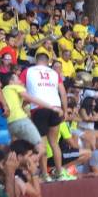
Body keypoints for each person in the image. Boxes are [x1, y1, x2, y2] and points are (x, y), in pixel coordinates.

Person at [19, 53, 71, 181]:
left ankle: (45, 174)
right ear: (48, 62)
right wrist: (65, 111)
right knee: (54, 143)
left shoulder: (28, 71)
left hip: (39, 108)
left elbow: (19, 89)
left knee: (41, 143)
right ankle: (59, 172)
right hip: (55, 108)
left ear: (36, 60)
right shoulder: (54, 73)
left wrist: (20, 106)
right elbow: (63, 93)